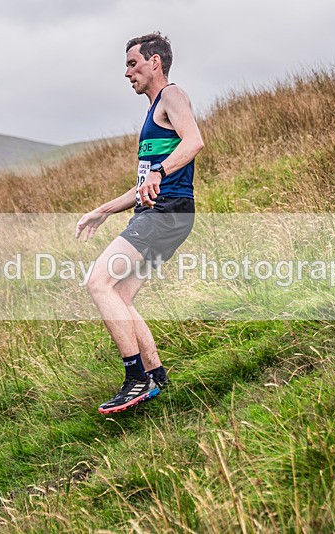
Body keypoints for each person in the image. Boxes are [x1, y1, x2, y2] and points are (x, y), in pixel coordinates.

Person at [75, 32, 204, 414]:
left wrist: (160, 172)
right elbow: (143, 185)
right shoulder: (152, 114)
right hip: (160, 211)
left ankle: (135, 380)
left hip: (168, 212)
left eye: (133, 64)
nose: (127, 72)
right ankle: (155, 374)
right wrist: (104, 209)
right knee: (121, 295)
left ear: (155, 63)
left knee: (99, 281)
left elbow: (194, 141)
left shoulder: (172, 96)